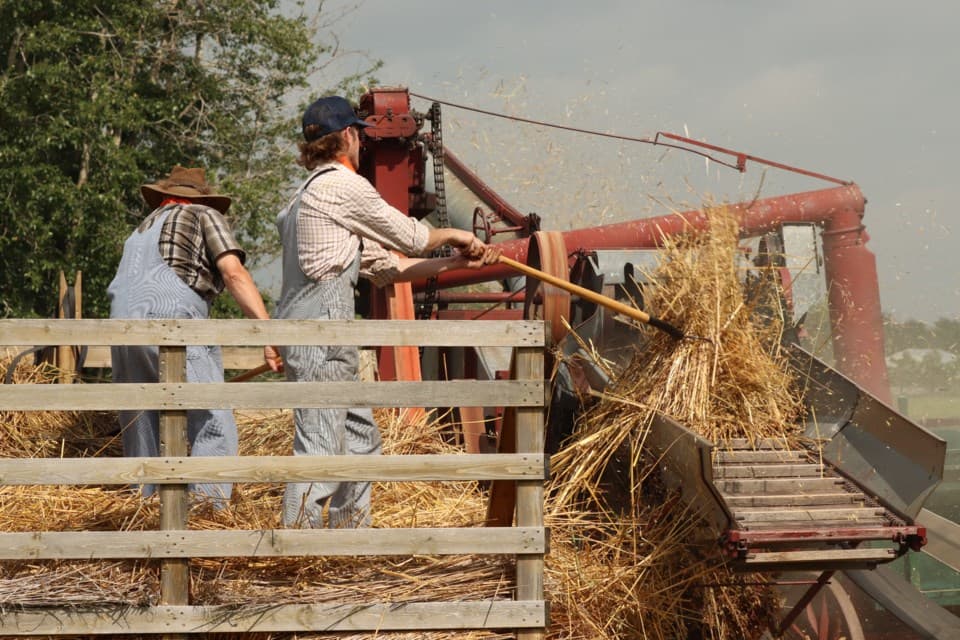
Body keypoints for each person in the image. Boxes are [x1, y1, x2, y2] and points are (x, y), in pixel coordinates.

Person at [276, 95, 500, 529]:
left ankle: (348, 538)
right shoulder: (343, 186)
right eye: (359, 135)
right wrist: (456, 235)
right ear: (348, 135)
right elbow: (411, 237)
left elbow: (387, 268)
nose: (362, 144)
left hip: (315, 332)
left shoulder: (305, 196)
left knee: (361, 440)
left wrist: (456, 264)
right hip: (322, 333)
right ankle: (295, 545)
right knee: (320, 448)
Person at [108, 165, 282, 505]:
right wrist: (268, 332)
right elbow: (233, 274)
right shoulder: (204, 214)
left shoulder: (141, 229)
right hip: (171, 321)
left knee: (140, 421)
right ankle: (207, 508)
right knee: (213, 417)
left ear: (166, 195)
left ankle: (143, 507)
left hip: (122, 329)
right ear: (202, 198)